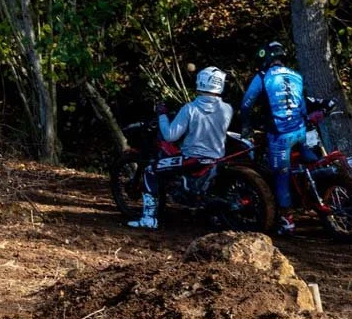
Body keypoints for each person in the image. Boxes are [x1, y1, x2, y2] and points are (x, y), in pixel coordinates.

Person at [127, 66, 233, 229]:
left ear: (200, 81)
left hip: (192, 159)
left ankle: (148, 218)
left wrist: (162, 114)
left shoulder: (190, 109)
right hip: (217, 158)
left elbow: (170, 136)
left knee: (150, 170)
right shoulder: (227, 109)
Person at [239, 41, 309, 234]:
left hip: (280, 135)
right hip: (301, 130)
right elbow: (302, 107)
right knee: (309, 162)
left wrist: (246, 127)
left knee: (281, 175)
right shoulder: (296, 75)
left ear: (265, 58)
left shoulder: (263, 76)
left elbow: (246, 104)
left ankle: (287, 222)